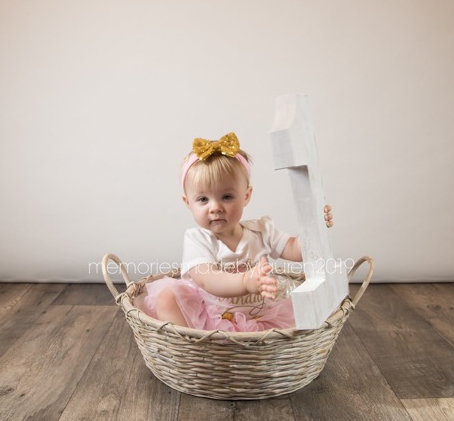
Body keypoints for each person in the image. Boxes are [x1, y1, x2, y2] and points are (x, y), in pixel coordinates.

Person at [141, 132, 333, 331]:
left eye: (227, 197)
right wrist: (245, 281)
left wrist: (315, 228)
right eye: (203, 199)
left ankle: (258, 345)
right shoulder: (198, 239)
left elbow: (296, 250)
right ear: (188, 202)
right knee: (167, 298)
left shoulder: (262, 230)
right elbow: (207, 279)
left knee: (307, 308)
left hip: (259, 315)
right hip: (211, 315)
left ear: (246, 196)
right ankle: (190, 342)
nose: (215, 207)